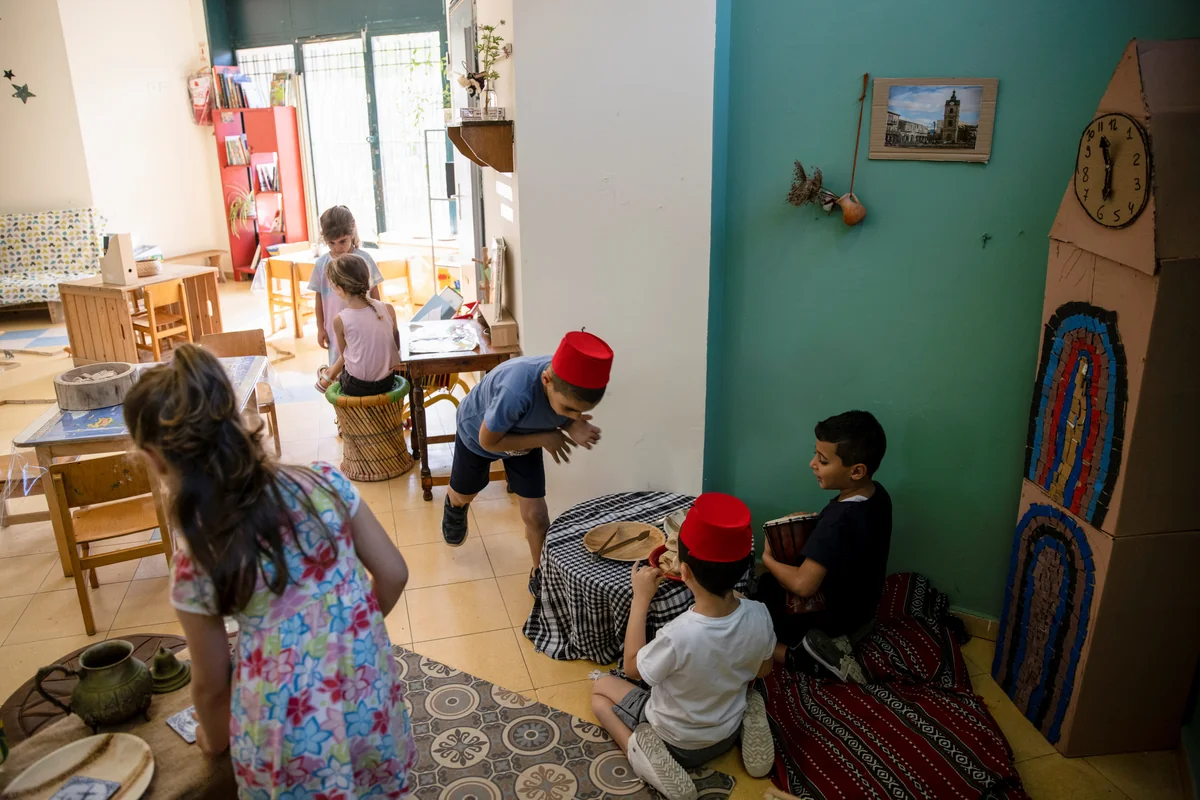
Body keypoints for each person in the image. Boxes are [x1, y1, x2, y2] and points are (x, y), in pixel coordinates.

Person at [124, 345, 415, 796]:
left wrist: (213, 739)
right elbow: (394, 573)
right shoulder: (325, 482)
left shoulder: (197, 559)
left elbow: (212, 685)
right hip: (363, 690)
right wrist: (351, 631)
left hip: (285, 731)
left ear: (156, 459)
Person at [590, 493, 776, 800]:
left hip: (674, 741)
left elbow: (632, 669)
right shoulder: (760, 614)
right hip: (724, 732)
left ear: (683, 571)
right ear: (745, 566)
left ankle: (639, 750)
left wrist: (640, 600)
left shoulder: (677, 635)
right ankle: (747, 716)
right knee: (748, 690)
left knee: (600, 691)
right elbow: (764, 670)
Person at [441, 330, 611, 593]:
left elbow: (562, 411)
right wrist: (546, 437)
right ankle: (454, 504)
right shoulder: (515, 391)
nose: (575, 416)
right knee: (466, 492)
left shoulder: (563, 386)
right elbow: (488, 441)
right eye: (569, 410)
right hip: (479, 435)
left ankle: (541, 573)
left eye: (581, 413)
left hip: (528, 440)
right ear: (546, 380)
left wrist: (571, 424)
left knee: (537, 516)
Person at [755, 409, 891, 680]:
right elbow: (851, 541)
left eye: (823, 460)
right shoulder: (877, 494)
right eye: (815, 455)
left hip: (832, 620)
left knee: (755, 611)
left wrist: (767, 558)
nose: (812, 464)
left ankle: (796, 655)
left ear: (856, 471)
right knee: (769, 586)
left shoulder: (837, 521)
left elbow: (804, 586)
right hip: (863, 608)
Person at [310, 205, 385, 368]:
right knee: (339, 365)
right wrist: (320, 328)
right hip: (335, 327)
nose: (338, 248)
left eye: (342, 241)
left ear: (351, 234)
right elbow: (318, 298)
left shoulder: (364, 259)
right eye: (331, 243)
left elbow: (375, 292)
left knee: (364, 360)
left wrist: (380, 316)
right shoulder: (321, 264)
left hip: (364, 323)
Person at [315, 253, 400, 397]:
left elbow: (345, 357)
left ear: (339, 289)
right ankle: (328, 375)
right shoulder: (388, 309)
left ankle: (327, 375)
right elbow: (396, 346)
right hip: (387, 382)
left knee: (347, 362)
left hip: (356, 387)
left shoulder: (340, 320)